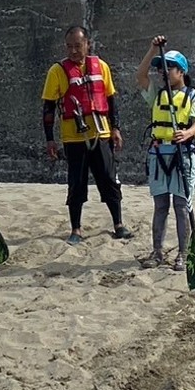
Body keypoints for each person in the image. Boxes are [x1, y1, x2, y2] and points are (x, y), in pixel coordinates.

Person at [41, 25, 132, 245]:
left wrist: (116, 128)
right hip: (74, 138)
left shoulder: (101, 67)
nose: (73, 51)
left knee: (109, 179)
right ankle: (76, 228)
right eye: (69, 46)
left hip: (101, 133)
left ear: (87, 44)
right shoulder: (57, 71)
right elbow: (49, 108)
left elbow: (111, 100)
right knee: (76, 182)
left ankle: (118, 224)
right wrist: (50, 139)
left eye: (78, 46)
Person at [137, 36, 195, 269]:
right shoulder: (157, 94)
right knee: (160, 205)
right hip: (159, 153)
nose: (163, 73)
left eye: (169, 69)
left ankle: (184, 253)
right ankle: (157, 252)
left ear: (182, 71)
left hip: (183, 154)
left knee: (180, 205)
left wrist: (187, 134)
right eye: (161, 69)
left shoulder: (193, 94)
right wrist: (152, 49)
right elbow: (141, 76)